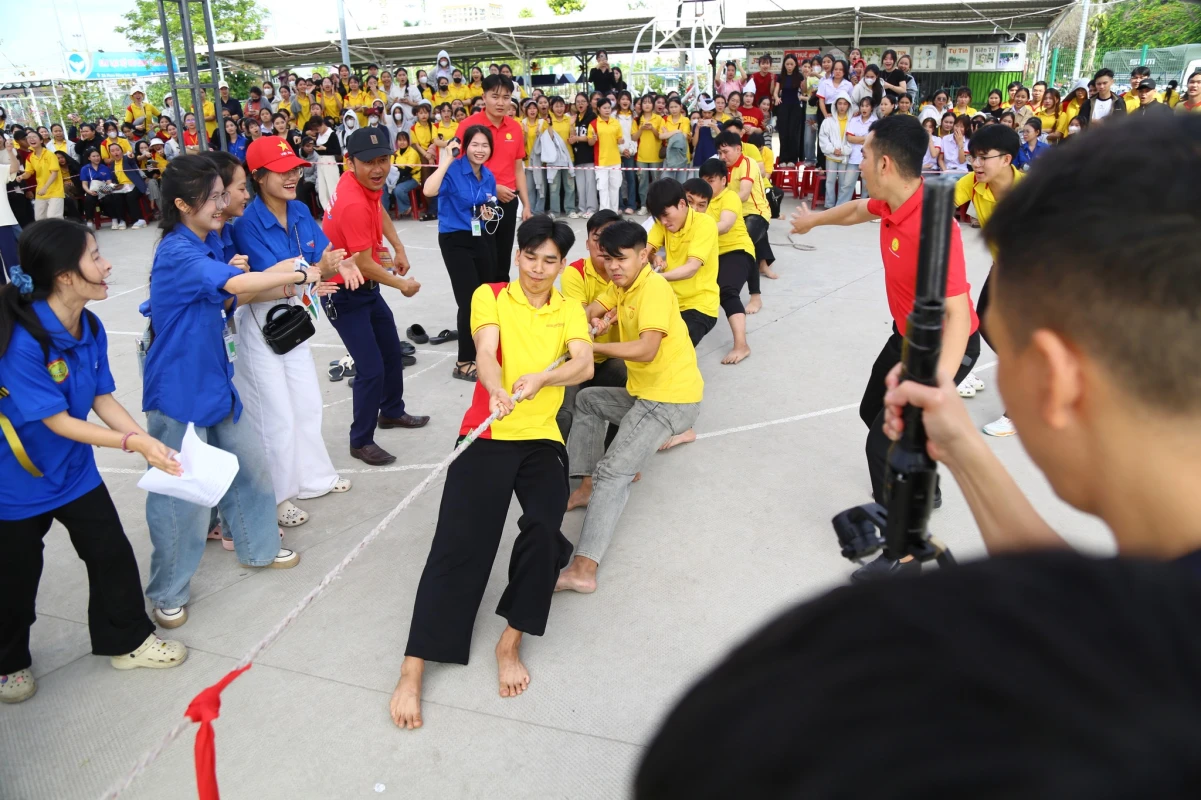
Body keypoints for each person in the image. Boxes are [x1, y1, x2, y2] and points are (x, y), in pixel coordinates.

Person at [389, 215, 593, 730]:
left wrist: (544, 377)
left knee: (545, 530)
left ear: (561, 264)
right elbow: (484, 350)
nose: (539, 270)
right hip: (487, 431)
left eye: (551, 260)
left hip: (541, 439)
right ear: (517, 256)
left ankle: (511, 639)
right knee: (459, 544)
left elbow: (584, 364)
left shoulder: (569, 308)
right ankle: (414, 665)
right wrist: (498, 387)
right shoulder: (491, 295)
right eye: (531, 257)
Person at [0, 220, 190, 704]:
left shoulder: (89, 325)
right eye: (95, 256)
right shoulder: (24, 343)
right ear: (65, 275)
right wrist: (134, 446)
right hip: (18, 481)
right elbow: (58, 421)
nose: (107, 266)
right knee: (16, 578)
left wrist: (145, 440)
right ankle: (8, 663)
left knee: (109, 554)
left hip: (74, 470)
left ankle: (126, 641)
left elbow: (102, 396)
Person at [789, 114, 980, 579]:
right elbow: (856, 211)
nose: (861, 164)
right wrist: (814, 221)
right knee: (869, 410)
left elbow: (956, 315)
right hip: (906, 337)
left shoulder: (933, 227)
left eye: (866, 157)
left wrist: (939, 387)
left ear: (887, 164)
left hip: (940, 350)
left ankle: (905, 551)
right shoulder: (892, 202)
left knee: (884, 445)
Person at [141, 156, 320, 628]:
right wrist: (293, 275)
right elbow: (234, 285)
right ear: (181, 204)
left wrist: (250, 270)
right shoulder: (179, 250)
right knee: (178, 492)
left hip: (215, 375)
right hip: (177, 382)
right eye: (215, 196)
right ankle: (167, 591)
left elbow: (229, 291)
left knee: (249, 465)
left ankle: (258, 548)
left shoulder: (211, 240)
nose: (224, 204)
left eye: (225, 193)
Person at [555, 220, 704, 593]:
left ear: (643, 256)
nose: (613, 267)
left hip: (669, 400)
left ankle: (583, 570)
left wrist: (596, 347)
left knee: (615, 472)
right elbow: (593, 308)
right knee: (588, 400)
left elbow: (646, 348)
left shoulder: (652, 288)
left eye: (621, 259)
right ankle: (587, 486)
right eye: (607, 259)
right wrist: (587, 323)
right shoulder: (621, 284)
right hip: (647, 393)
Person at [229, 136, 357, 529]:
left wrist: (332, 264)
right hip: (260, 322)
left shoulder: (300, 210)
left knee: (306, 401)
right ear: (258, 176)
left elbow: (318, 263)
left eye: (296, 169)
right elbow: (252, 286)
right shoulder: (245, 225)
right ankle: (278, 495)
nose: (292, 176)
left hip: (296, 318)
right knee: (274, 414)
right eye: (281, 171)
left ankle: (314, 477)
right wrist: (302, 277)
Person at [322, 127, 428, 465]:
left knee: (390, 354)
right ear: (349, 162)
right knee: (370, 369)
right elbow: (365, 264)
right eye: (369, 163)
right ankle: (360, 440)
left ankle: (391, 412)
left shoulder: (362, 185)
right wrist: (403, 284)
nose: (378, 169)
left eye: (383, 160)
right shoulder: (352, 200)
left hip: (366, 290)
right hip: (342, 293)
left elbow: (379, 210)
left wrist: (397, 245)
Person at [952, 123, 1023, 437]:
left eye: (983, 158)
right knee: (982, 322)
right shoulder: (974, 183)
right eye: (973, 157)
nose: (975, 164)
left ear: (1006, 160)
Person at [426, 125, 500, 383]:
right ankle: (463, 361)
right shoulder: (453, 169)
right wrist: (447, 158)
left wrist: (487, 212)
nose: (480, 150)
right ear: (465, 146)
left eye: (485, 145)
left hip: (480, 235)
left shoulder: (488, 176)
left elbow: (487, 205)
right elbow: (428, 190)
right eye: (475, 145)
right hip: (454, 238)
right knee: (468, 300)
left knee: (488, 295)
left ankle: (484, 350)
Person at [557, 209, 627, 439]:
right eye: (597, 239)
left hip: (612, 359)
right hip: (576, 359)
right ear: (587, 243)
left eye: (611, 239)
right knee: (564, 413)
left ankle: (614, 454)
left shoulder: (630, 274)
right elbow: (581, 319)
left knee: (636, 386)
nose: (603, 246)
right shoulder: (575, 272)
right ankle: (556, 465)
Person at [458, 74, 531, 277]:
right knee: (481, 257)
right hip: (478, 202)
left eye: (506, 97)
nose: (501, 102)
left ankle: (501, 300)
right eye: (495, 96)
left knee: (502, 258)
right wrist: (492, 189)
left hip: (508, 202)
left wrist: (526, 204)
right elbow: (460, 168)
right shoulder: (468, 126)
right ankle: (482, 303)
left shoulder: (515, 128)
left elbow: (518, 168)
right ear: (484, 96)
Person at [645, 177, 720, 360]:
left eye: (666, 215)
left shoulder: (704, 224)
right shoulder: (662, 223)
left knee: (672, 354)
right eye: (658, 218)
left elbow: (691, 268)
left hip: (699, 306)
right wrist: (653, 257)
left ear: (681, 204)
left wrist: (656, 278)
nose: (663, 222)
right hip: (670, 301)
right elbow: (644, 251)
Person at [694, 161, 755, 364]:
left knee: (727, 290)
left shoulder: (729, 197)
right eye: (704, 181)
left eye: (711, 181)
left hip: (736, 249)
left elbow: (726, 225)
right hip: (711, 253)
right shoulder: (701, 200)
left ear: (723, 180)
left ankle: (741, 345)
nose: (707, 185)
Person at [18, 130, 65, 221]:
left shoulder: (50, 155)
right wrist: (22, 176)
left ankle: (60, 234)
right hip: (40, 192)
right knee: (39, 219)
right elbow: (28, 172)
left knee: (54, 218)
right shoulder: (30, 157)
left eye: (34, 137)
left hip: (55, 191)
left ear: (41, 141)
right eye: (28, 138)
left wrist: (45, 187)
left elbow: (54, 173)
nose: (31, 139)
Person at [818, 92, 854, 207]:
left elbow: (853, 140)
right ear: (835, 105)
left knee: (844, 183)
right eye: (840, 103)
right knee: (830, 182)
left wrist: (843, 151)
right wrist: (833, 150)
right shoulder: (828, 121)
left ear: (848, 105)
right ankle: (829, 205)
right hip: (831, 157)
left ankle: (841, 207)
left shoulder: (852, 121)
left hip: (844, 157)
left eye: (844, 104)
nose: (842, 106)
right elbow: (823, 138)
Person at [589, 96, 623, 213]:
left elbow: (619, 139)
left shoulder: (616, 123)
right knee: (603, 189)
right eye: (604, 108)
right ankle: (605, 214)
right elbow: (590, 142)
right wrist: (593, 139)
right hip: (601, 161)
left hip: (615, 160)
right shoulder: (593, 124)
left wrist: (621, 141)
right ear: (598, 109)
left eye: (609, 107)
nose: (607, 110)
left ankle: (613, 212)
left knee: (615, 188)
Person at [845, 96, 875, 193]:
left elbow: (874, 141)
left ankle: (865, 208)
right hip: (853, 157)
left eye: (867, 106)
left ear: (872, 108)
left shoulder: (875, 122)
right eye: (862, 106)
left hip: (868, 158)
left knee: (867, 188)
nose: (864, 108)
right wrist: (866, 139)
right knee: (847, 185)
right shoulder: (854, 120)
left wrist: (857, 139)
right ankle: (842, 207)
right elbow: (849, 138)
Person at [388, 130, 422, 216]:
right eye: (399, 140)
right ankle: (383, 211)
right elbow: (391, 168)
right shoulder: (395, 154)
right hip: (398, 177)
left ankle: (406, 207)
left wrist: (396, 175)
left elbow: (407, 170)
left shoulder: (412, 153)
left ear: (408, 141)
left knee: (398, 189)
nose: (402, 142)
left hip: (412, 178)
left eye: (404, 140)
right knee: (384, 187)